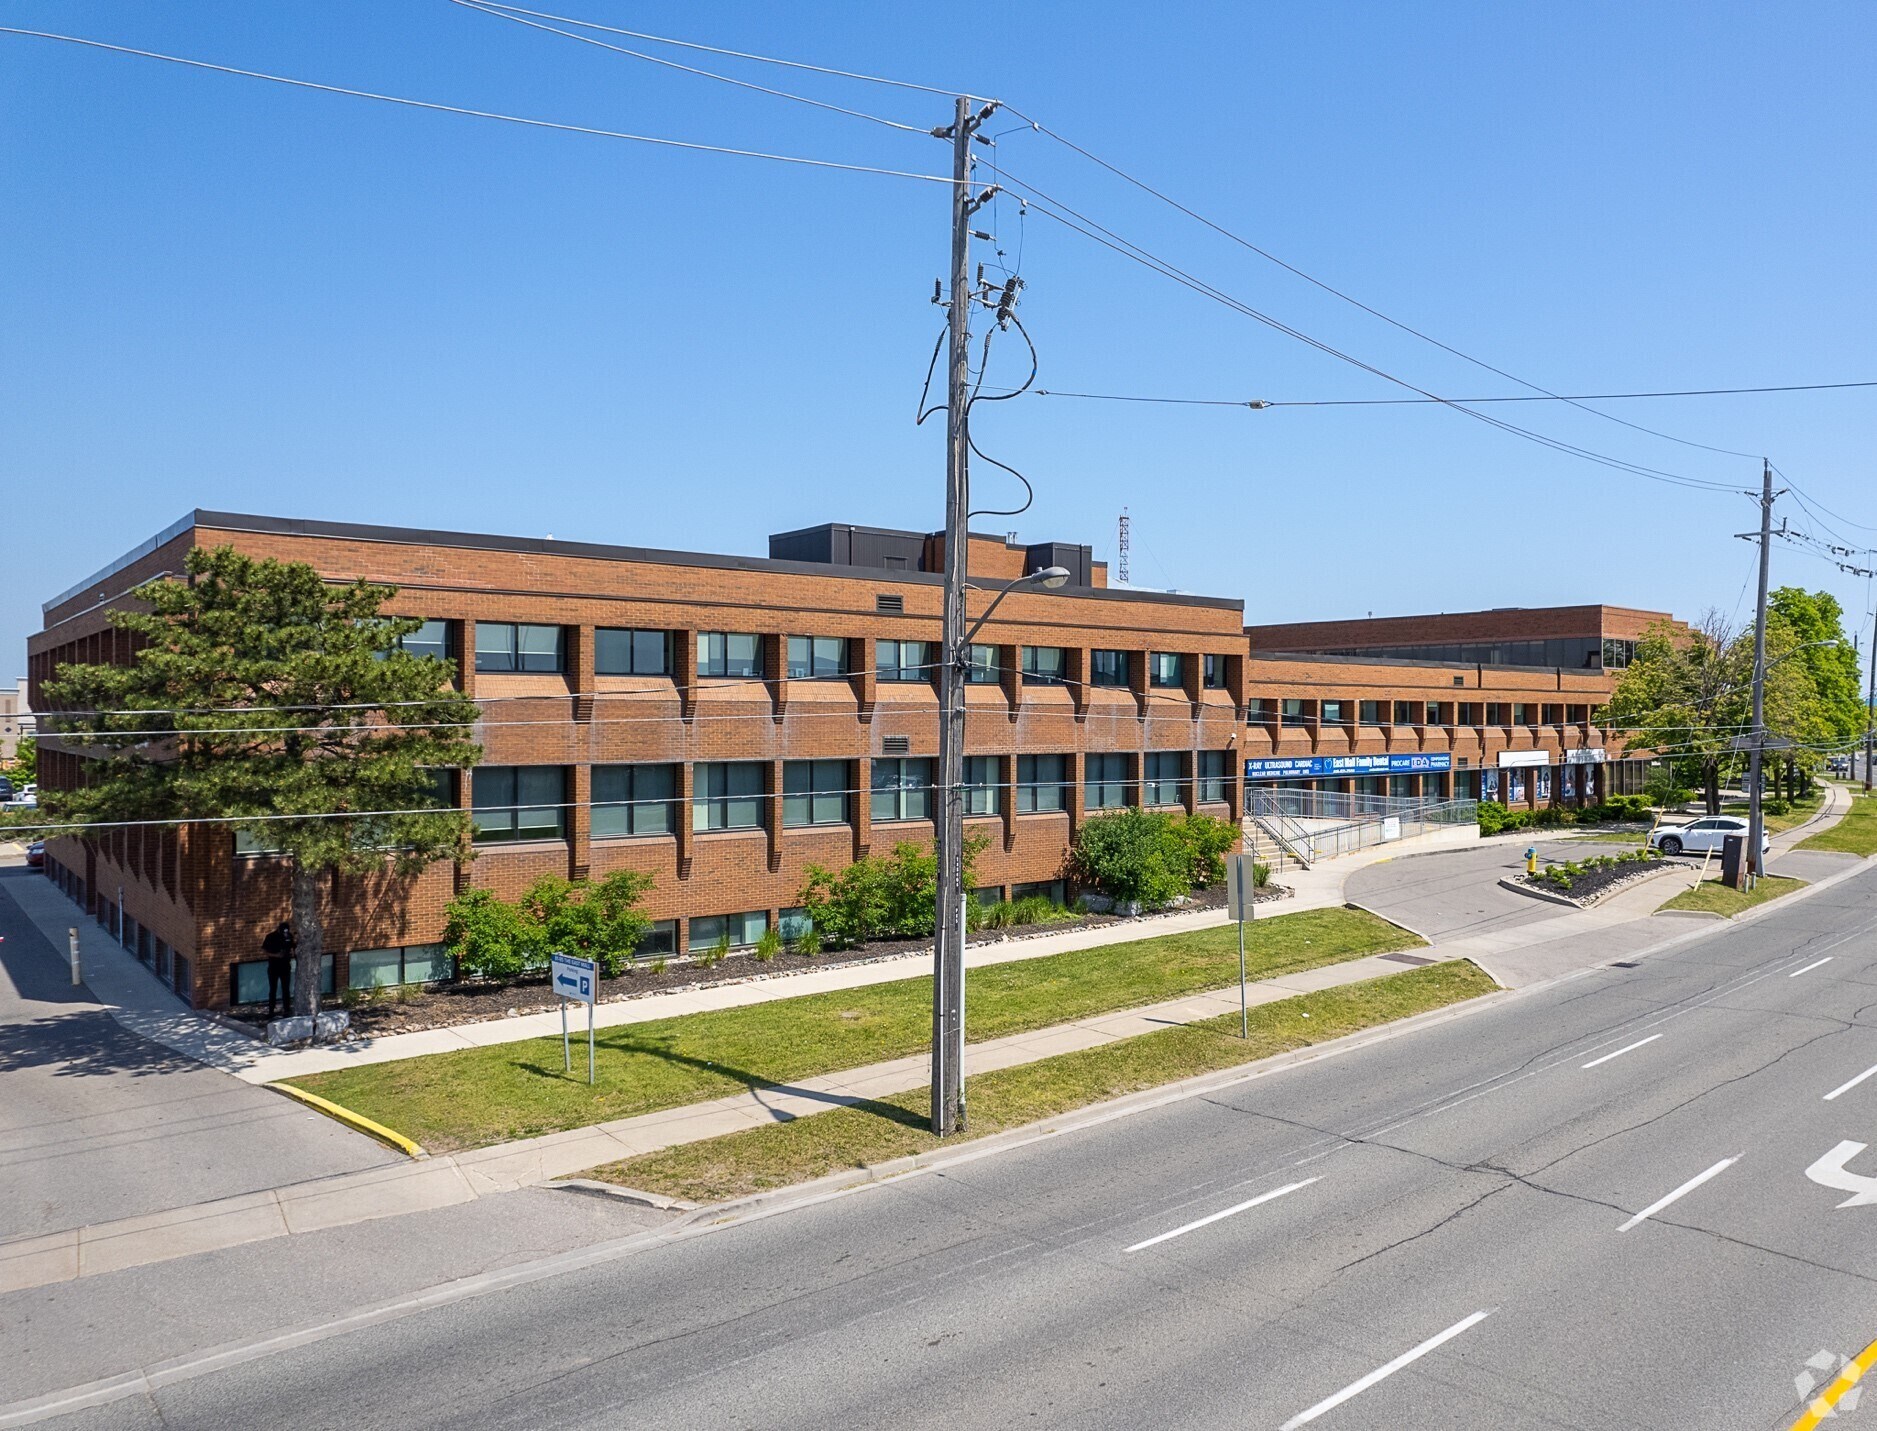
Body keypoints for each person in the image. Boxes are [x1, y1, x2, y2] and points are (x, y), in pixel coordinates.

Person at [262, 921, 296, 1019]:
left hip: (285, 966)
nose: (285, 933)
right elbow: (264, 950)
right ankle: (271, 1011)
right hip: (274, 967)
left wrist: (293, 953)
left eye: (286, 931)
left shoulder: (288, 936)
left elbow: (293, 946)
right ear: (279, 929)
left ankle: (286, 1010)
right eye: (283, 932)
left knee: (286, 989)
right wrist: (275, 955)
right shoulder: (271, 936)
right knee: (273, 989)